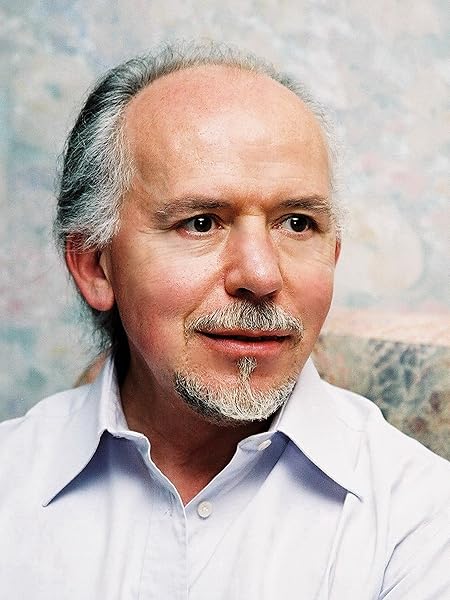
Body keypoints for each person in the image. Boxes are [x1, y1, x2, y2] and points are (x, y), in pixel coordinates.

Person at [1, 42, 448, 599]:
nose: (260, 275)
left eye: (297, 223)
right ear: (95, 265)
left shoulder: (421, 522)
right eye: (201, 222)